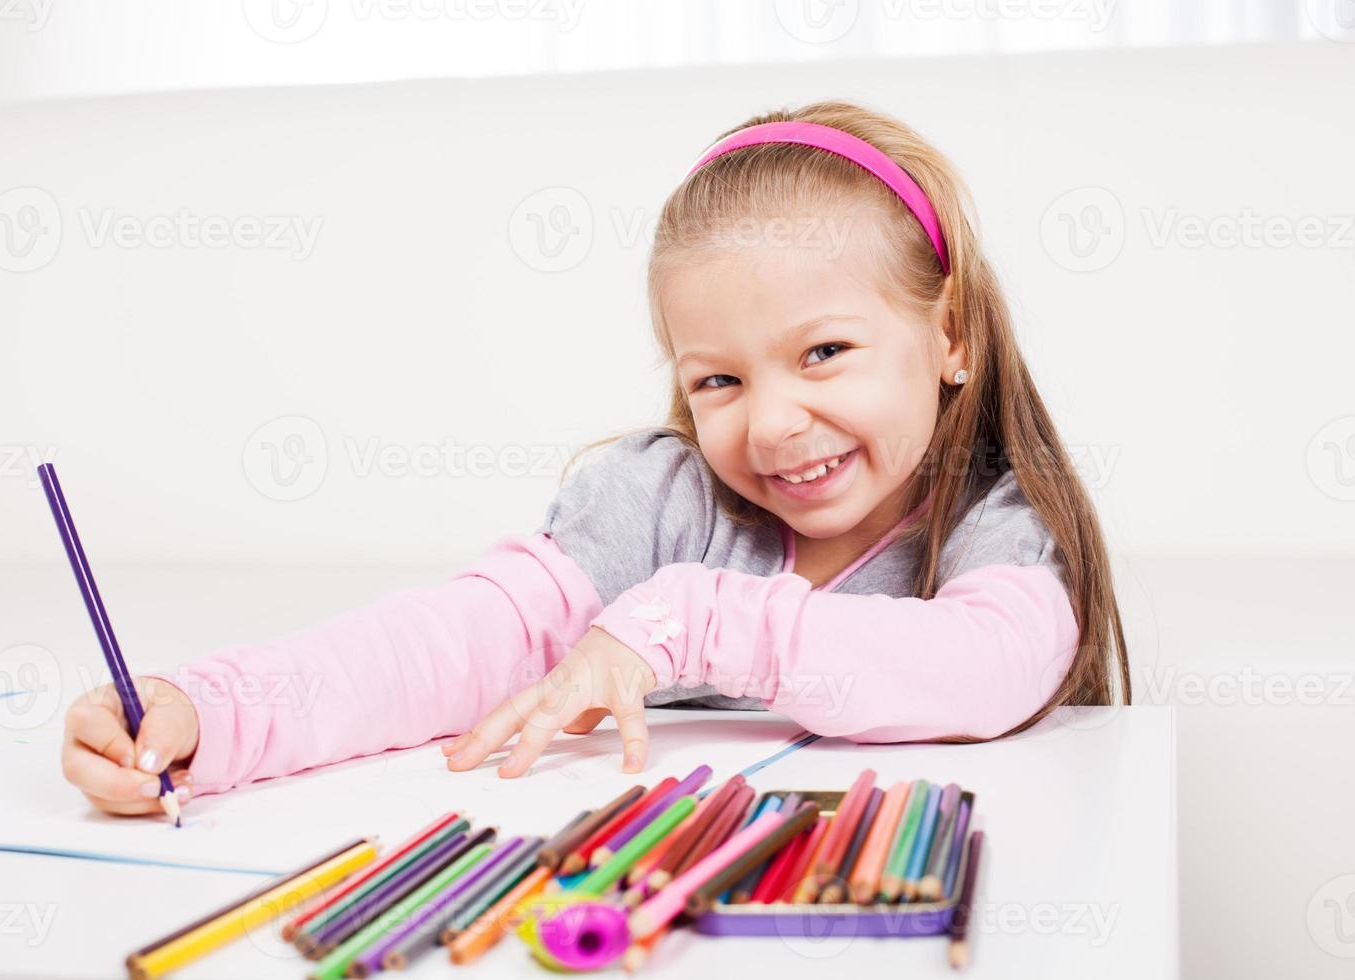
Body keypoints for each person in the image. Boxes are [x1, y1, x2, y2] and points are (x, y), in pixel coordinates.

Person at [59, 100, 1130, 817]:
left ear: (952, 339)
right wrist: (213, 709)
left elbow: (984, 669)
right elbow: (457, 641)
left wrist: (692, 621)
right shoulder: (658, 497)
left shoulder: (993, 520)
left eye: (825, 352)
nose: (770, 423)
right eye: (719, 378)